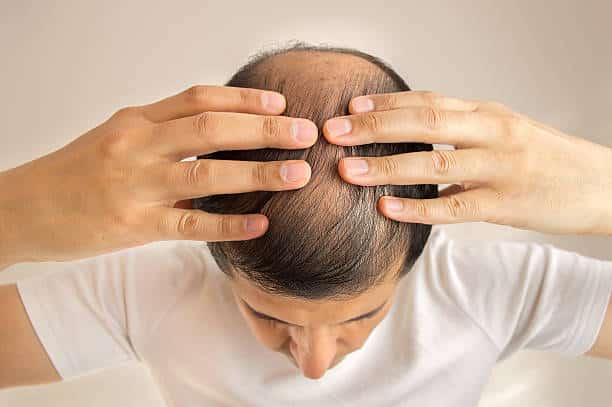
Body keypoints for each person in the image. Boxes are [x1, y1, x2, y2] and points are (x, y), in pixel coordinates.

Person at [0, 43, 611, 406]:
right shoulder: (147, 293)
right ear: (214, 251)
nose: (314, 365)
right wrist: (12, 213)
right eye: (268, 316)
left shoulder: (488, 291)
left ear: (418, 258)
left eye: (362, 316)